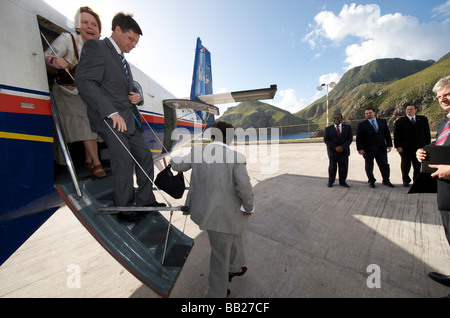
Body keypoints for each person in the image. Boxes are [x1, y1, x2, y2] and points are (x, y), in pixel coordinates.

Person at [75, 12, 164, 221]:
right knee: (123, 162)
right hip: (111, 119)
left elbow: (124, 88)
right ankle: (124, 208)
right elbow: (85, 81)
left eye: (135, 42)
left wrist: (137, 97)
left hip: (129, 120)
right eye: (131, 39)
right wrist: (111, 112)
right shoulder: (96, 47)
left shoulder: (122, 60)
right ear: (117, 31)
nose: (133, 45)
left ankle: (145, 200)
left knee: (145, 157)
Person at [170, 121, 255, 298]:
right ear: (230, 137)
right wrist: (249, 207)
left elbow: (178, 166)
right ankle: (216, 294)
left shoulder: (197, 152)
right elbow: (244, 187)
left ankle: (235, 267)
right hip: (222, 216)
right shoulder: (236, 157)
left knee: (235, 234)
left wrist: (172, 156)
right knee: (220, 255)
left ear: (212, 135)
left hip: (202, 211)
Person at [45, 6, 106, 178]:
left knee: (92, 122)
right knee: (85, 124)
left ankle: (88, 160)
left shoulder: (98, 51)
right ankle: (97, 163)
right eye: (85, 23)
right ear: (78, 27)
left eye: (94, 24)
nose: (89, 27)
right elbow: (47, 55)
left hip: (85, 94)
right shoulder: (67, 39)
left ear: (98, 31)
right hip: (66, 91)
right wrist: (57, 61)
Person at [417, 76, 450, 289]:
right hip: (446, 192)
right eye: (439, 96)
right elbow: (442, 144)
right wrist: (424, 151)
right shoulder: (445, 122)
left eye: (447, 94)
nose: (442, 99)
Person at [356, 107, 394, 188]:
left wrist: (389, 144)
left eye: (370, 113)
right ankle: (371, 181)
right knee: (369, 166)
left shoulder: (382, 122)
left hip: (381, 148)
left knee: (384, 165)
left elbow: (387, 134)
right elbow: (359, 138)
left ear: (374, 113)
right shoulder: (362, 124)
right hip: (368, 149)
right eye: (366, 113)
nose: (368, 115)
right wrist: (360, 148)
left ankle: (386, 180)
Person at [394, 105, 431, 187]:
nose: (409, 111)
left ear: (415, 110)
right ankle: (406, 180)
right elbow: (396, 135)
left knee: (418, 166)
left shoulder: (423, 119)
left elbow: (427, 133)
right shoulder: (400, 121)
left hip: (419, 147)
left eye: (411, 109)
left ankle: (417, 181)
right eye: (407, 109)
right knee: (405, 165)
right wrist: (398, 146)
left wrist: (427, 145)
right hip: (405, 148)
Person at [323, 113, 353, 188]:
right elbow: (326, 140)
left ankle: (342, 182)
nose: (336, 119)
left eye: (338, 118)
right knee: (332, 167)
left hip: (344, 151)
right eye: (335, 118)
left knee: (344, 167)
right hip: (333, 152)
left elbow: (350, 139)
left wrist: (342, 147)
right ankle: (331, 181)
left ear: (342, 119)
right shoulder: (328, 129)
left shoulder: (348, 128)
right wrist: (335, 147)